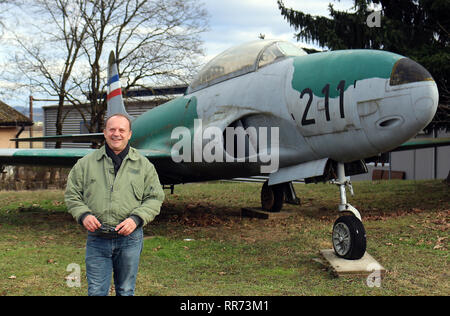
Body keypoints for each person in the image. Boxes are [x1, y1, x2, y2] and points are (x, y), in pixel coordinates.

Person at [65, 114, 165, 296]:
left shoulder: (144, 166)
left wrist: (136, 219)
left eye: (121, 130)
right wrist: (84, 215)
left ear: (129, 134)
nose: (116, 134)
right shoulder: (85, 164)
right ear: (104, 133)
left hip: (130, 240)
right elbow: (72, 195)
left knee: (126, 291)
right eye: (112, 129)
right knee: (96, 291)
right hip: (97, 239)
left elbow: (155, 197)